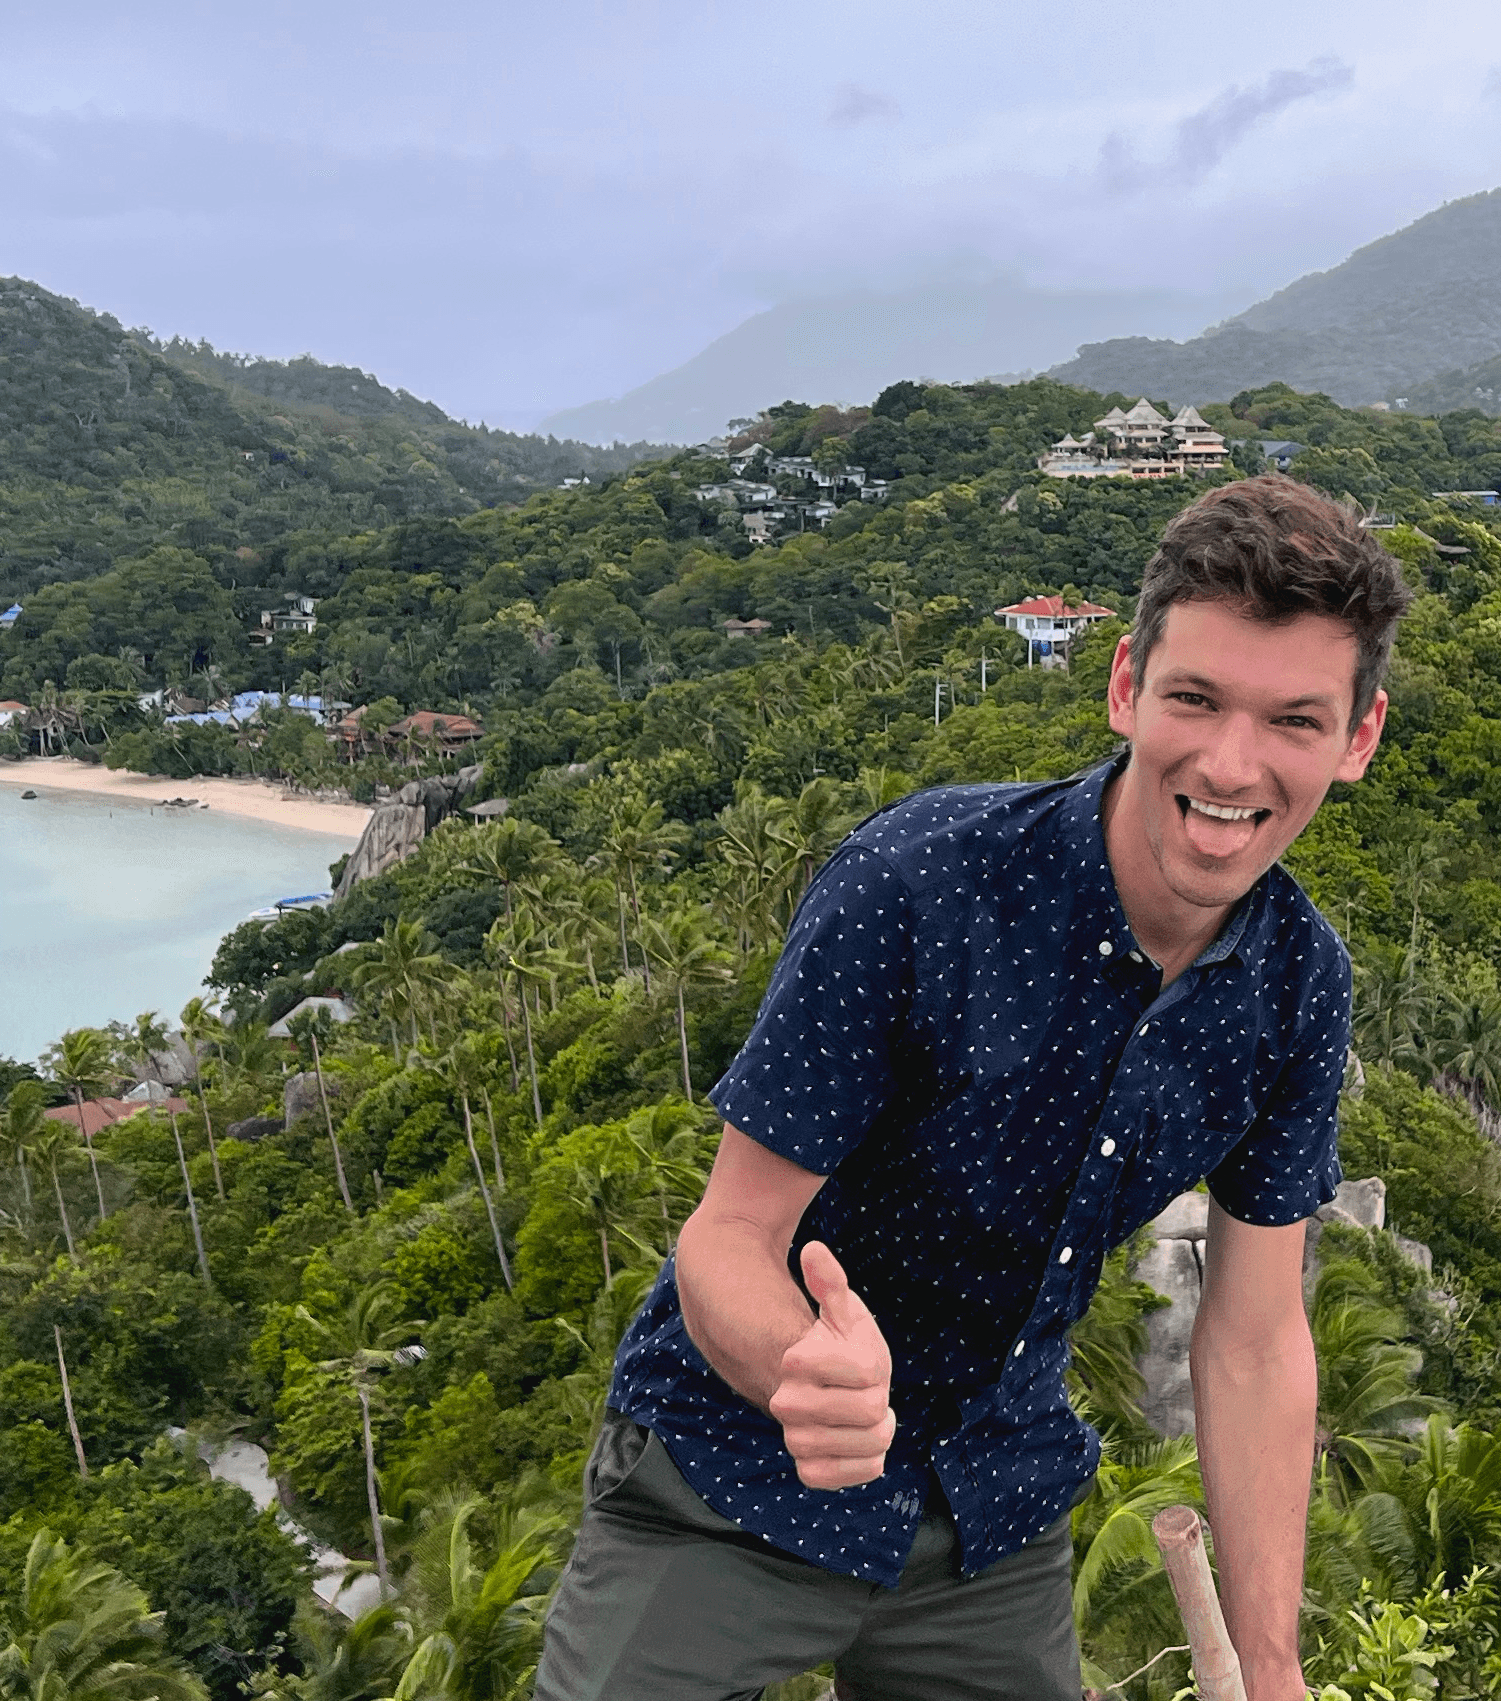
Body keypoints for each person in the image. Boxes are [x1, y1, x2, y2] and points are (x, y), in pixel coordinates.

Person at [533, 473, 1412, 1701]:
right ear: (1125, 686)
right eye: (1195, 698)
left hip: (989, 1512)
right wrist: (800, 1367)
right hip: (728, 1475)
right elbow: (727, 1237)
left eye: (1295, 720)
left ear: (1357, 740)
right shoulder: (918, 884)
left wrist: (1272, 1668)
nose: (1231, 763)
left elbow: (1256, 1338)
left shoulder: (1297, 984)